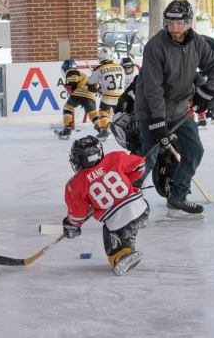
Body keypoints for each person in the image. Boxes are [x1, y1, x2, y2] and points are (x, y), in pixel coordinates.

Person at [134, 0, 214, 218]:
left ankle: (178, 196)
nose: (175, 28)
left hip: (180, 109)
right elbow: (152, 87)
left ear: (189, 23)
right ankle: (125, 198)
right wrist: (158, 121)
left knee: (194, 151)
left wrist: (207, 92)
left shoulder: (198, 43)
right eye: (170, 23)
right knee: (149, 156)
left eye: (180, 23)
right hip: (151, 109)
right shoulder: (155, 46)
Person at [62, 136, 149, 276]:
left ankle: (120, 256)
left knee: (110, 232)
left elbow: (79, 213)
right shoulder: (115, 157)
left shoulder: (75, 184)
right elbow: (139, 166)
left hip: (119, 221)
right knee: (126, 225)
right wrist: (127, 180)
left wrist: (71, 225)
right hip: (141, 208)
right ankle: (128, 240)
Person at [55, 59, 102, 140]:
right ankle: (101, 130)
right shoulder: (81, 74)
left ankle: (67, 130)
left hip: (79, 93)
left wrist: (70, 86)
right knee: (93, 114)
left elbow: (73, 82)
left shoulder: (71, 72)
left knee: (67, 108)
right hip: (90, 95)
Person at [88, 47, 126, 140]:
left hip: (108, 97)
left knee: (103, 112)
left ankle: (105, 129)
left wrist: (96, 88)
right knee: (120, 115)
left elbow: (91, 83)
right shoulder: (121, 67)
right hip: (121, 96)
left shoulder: (99, 69)